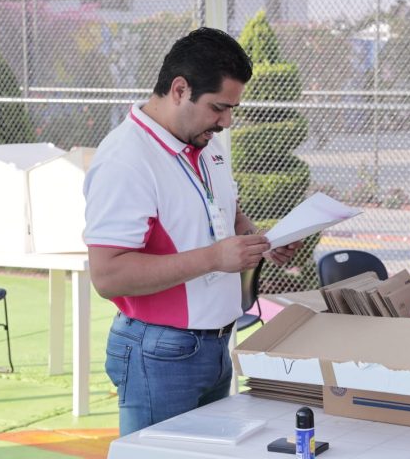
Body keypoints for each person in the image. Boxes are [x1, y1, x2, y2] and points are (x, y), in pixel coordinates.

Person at [83, 27, 303, 436]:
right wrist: (216, 258)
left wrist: (261, 241)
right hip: (160, 353)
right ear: (180, 89)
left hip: (215, 344)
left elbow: (227, 213)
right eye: (219, 107)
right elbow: (107, 275)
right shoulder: (126, 160)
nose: (227, 121)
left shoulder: (206, 142)